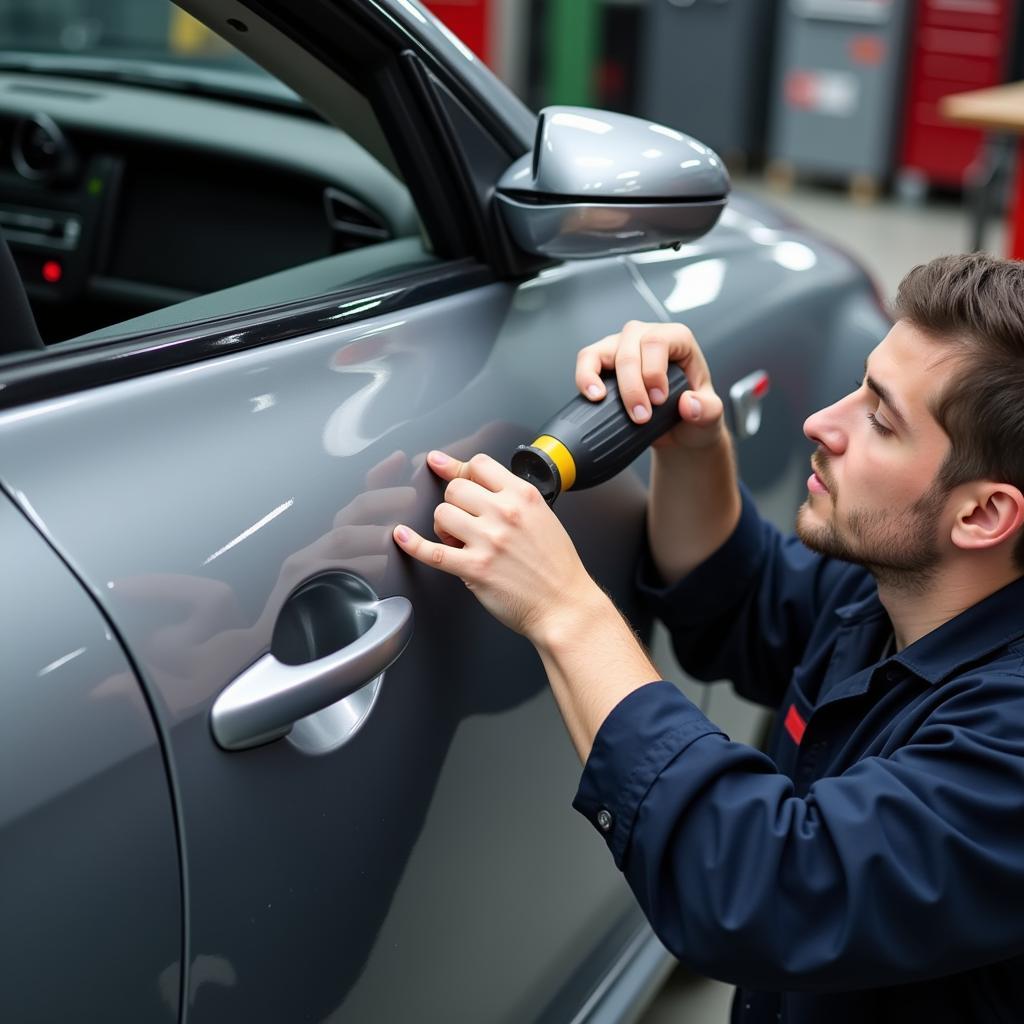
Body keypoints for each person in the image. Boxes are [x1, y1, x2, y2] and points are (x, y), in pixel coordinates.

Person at [392, 251, 1024, 1023]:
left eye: (881, 420)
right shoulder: (904, 598)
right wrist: (693, 443)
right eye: (861, 384)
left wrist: (564, 609)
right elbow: (746, 603)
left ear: (983, 515)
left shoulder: (1009, 745)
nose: (822, 423)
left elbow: (767, 890)